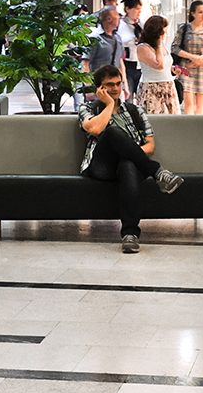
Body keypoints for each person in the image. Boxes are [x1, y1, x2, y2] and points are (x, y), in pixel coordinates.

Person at [79, 64, 185, 253]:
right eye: (109, 85)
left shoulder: (135, 110)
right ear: (99, 89)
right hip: (101, 166)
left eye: (118, 84)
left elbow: (150, 145)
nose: (115, 89)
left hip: (129, 166)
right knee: (111, 132)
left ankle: (130, 234)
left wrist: (129, 152)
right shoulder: (88, 108)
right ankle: (157, 172)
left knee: (128, 163)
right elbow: (94, 129)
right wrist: (110, 105)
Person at [173, 0, 203, 115]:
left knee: (202, 105)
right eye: (200, 12)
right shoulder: (184, 29)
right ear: (193, 13)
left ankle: (199, 130)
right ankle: (189, 129)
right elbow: (175, 47)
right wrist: (192, 57)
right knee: (189, 104)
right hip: (186, 69)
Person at [135, 15, 181, 115]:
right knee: (155, 121)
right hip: (151, 88)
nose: (166, 34)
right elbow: (159, 65)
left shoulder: (162, 46)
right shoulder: (143, 48)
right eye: (164, 31)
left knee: (172, 120)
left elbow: (165, 64)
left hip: (168, 86)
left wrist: (172, 69)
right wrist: (159, 43)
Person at [86, 7, 127, 94]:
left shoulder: (118, 38)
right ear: (109, 19)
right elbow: (86, 63)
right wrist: (88, 88)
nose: (119, 19)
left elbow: (120, 62)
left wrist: (124, 85)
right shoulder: (95, 38)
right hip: (100, 83)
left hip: (116, 84)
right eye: (117, 16)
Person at [117, 0, 143, 101]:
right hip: (127, 64)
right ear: (128, 9)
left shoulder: (141, 24)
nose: (139, 12)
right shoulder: (120, 24)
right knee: (129, 97)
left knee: (141, 96)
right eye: (136, 9)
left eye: (140, 9)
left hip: (140, 64)